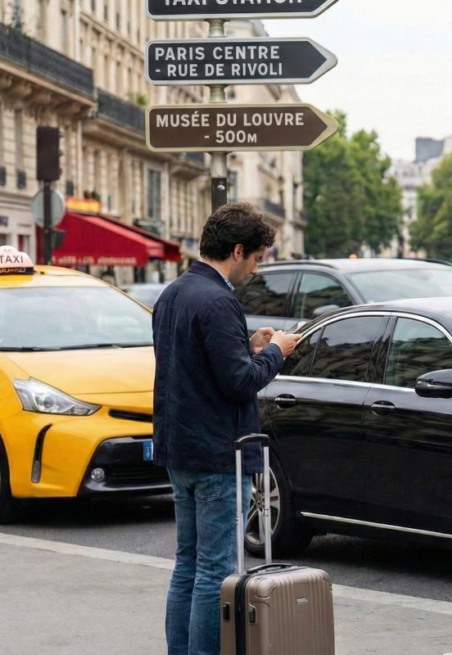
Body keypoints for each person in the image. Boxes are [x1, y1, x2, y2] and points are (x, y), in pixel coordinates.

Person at [152, 203, 301, 655]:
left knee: (187, 565)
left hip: (179, 447)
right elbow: (239, 382)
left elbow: (198, 361)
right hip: (217, 451)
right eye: (256, 258)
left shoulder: (174, 292)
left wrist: (247, 344)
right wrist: (276, 351)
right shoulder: (219, 300)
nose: (256, 269)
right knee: (214, 572)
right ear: (237, 250)